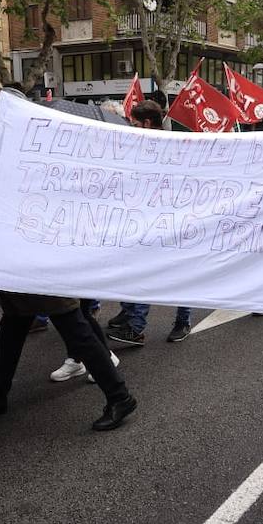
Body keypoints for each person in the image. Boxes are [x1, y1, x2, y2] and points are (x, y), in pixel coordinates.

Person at [0, 90, 139, 431]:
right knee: (14, 331)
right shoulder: (4, 154)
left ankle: (119, 396)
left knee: (77, 332)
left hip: (43, 263)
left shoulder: (39, 152)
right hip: (17, 263)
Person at [106, 99, 192, 346]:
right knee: (138, 271)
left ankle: (181, 321)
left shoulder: (173, 146)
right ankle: (133, 321)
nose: (131, 128)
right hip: (144, 221)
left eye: (134, 124)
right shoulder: (138, 147)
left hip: (172, 222)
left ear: (146, 123)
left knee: (181, 276)